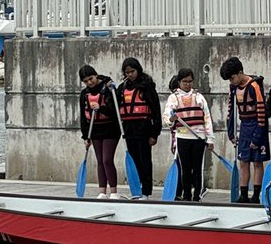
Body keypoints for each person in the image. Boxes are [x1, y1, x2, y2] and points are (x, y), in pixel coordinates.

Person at [219, 56, 268, 204]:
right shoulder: (233, 87)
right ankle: (244, 193)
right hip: (244, 126)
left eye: (232, 78)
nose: (231, 81)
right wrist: (231, 132)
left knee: (257, 162)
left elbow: (262, 112)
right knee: (243, 161)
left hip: (257, 125)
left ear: (240, 72)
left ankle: (256, 195)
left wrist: (257, 137)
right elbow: (231, 111)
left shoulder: (254, 86)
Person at [161, 67, 213, 202]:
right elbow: (166, 117)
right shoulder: (174, 98)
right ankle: (186, 195)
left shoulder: (199, 97)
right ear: (179, 82)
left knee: (197, 168)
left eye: (190, 81)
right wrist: (171, 120)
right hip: (182, 137)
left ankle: (197, 196)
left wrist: (210, 139)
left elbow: (207, 118)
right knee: (185, 168)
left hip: (199, 138)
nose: (188, 84)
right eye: (185, 81)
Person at [114, 56, 161, 201]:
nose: (130, 74)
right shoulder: (122, 88)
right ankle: (137, 189)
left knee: (145, 161)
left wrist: (155, 133)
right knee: (134, 161)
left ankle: (146, 191)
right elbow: (113, 105)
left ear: (138, 70)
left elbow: (155, 110)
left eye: (132, 71)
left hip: (144, 130)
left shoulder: (146, 85)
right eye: (127, 72)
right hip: (129, 130)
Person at [78, 64, 121, 199]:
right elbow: (83, 117)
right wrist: (86, 137)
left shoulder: (108, 89)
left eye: (91, 78)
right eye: (86, 81)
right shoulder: (84, 94)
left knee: (107, 159)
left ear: (96, 75)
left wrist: (100, 108)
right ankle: (102, 191)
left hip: (111, 129)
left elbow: (115, 112)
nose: (89, 82)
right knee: (100, 161)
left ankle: (113, 191)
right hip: (94, 130)